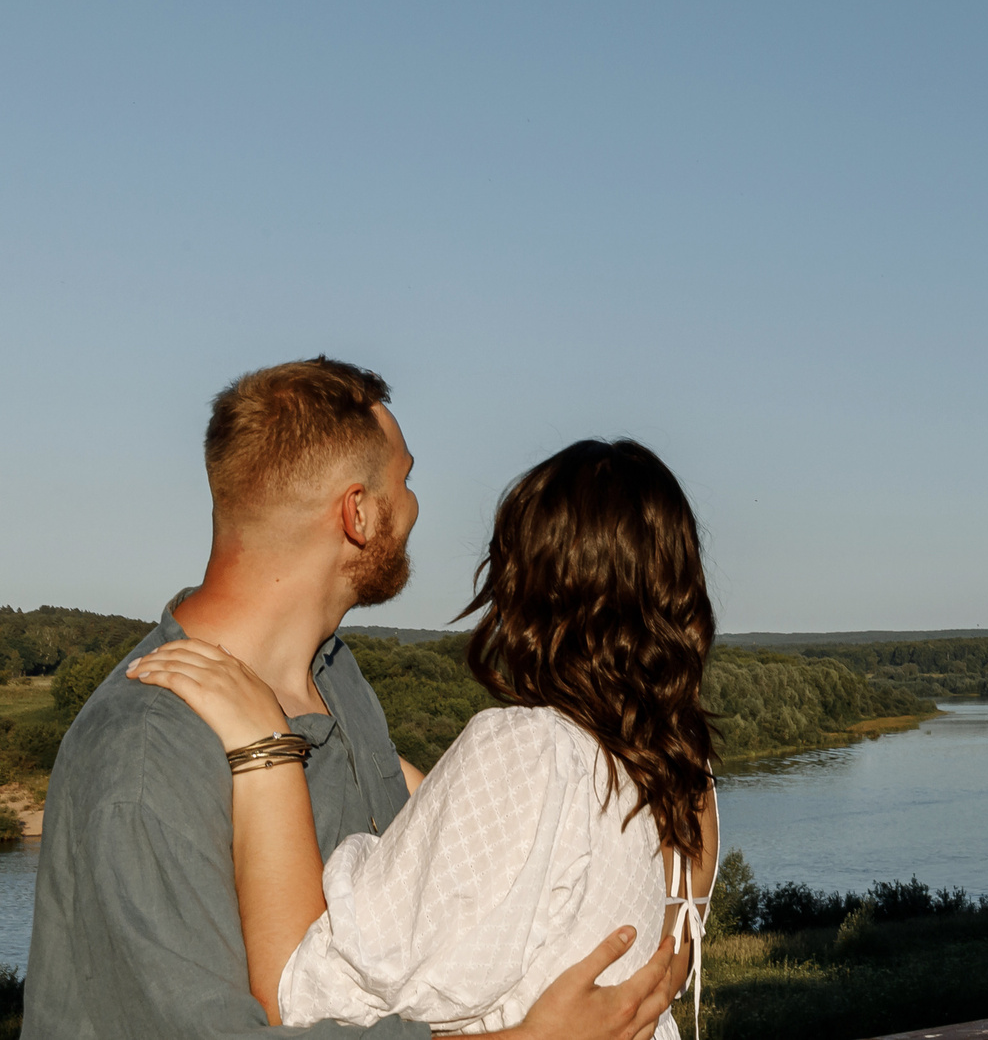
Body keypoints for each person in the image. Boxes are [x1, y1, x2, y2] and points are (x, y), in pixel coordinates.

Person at [24, 358, 682, 1040]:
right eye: (407, 477)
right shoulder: (148, 750)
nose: (418, 505)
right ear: (358, 512)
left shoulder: (337, 675)